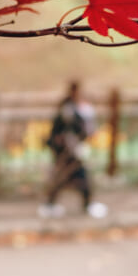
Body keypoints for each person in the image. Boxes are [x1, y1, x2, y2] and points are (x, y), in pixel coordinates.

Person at [38, 81, 108, 219]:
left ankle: (54, 204)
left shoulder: (71, 108)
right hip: (66, 151)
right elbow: (75, 128)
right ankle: (55, 205)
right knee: (68, 178)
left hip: (70, 150)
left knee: (67, 179)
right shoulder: (68, 110)